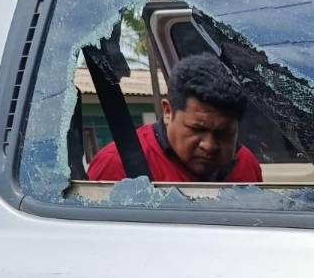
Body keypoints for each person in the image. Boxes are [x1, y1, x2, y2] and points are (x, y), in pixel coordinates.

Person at [87, 53, 262, 183]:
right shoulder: (116, 165)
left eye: (223, 133)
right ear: (167, 112)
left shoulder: (246, 165)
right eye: (197, 129)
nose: (209, 145)